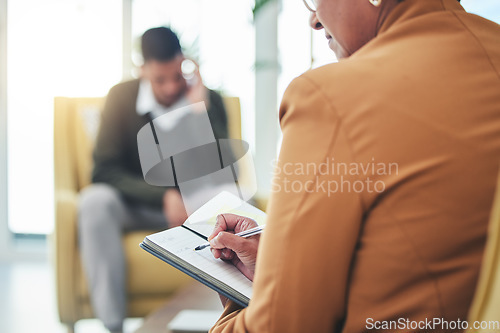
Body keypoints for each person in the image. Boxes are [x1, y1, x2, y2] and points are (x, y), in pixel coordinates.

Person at [206, 0, 500, 332]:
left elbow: (281, 327)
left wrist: (236, 298)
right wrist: (281, 274)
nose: (314, 20)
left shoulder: (330, 97)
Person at [78, 27, 229, 333]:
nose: (172, 86)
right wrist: (162, 196)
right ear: (142, 69)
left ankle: (230, 322)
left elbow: (224, 170)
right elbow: (103, 170)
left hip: (194, 209)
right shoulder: (121, 97)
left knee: (239, 204)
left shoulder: (207, 99)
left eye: (177, 75)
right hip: (140, 206)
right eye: (161, 79)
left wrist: (200, 112)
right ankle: (113, 327)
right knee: (94, 201)